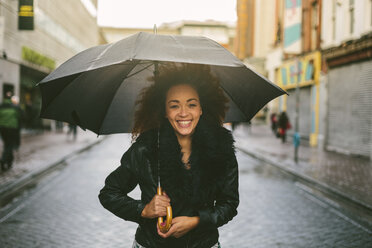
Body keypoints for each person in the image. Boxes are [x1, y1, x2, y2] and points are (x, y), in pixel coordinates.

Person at [99, 64, 239, 248]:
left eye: (191, 104)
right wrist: (144, 210)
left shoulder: (221, 150)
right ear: (165, 111)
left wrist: (197, 221)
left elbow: (228, 204)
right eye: (174, 105)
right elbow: (109, 193)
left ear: (201, 109)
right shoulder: (146, 150)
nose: (183, 113)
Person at [0, 92, 22, 171]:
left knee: (7, 144)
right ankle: (3, 159)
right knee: (10, 145)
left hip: (2, 129)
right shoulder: (15, 107)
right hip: (12, 128)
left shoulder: (1, 106)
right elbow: (21, 116)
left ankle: (9, 162)